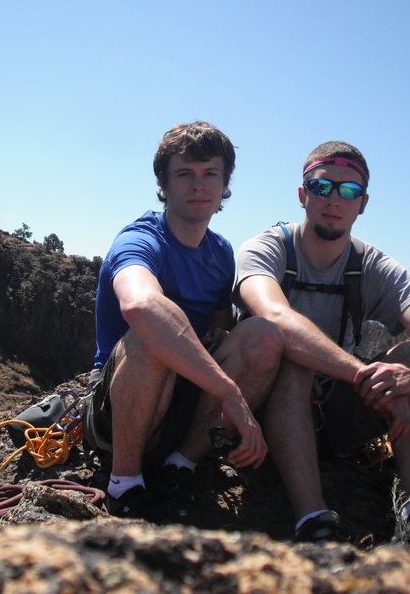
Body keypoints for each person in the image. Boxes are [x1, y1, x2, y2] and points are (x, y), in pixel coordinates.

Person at [234, 141, 410, 542]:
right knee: (295, 359)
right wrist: (365, 376)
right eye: (322, 187)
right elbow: (275, 317)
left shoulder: (371, 264)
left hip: (336, 413)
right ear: (303, 194)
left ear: (363, 203)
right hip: (264, 411)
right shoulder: (267, 248)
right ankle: (313, 518)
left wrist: (409, 374)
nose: (334, 200)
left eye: (349, 191)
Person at [83, 121, 283, 523]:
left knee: (263, 335)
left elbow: (221, 319)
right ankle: (124, 483)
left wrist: (220, 331)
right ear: (165, 183)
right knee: (151, 336)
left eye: (211, 173)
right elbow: (140, 305)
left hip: (184, 398)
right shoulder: (141, 240)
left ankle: (181, 465)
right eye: (185, 174)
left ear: (225, 183)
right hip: (123, 402)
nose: (199, 185)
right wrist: (229, 393)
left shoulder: (220, 252)